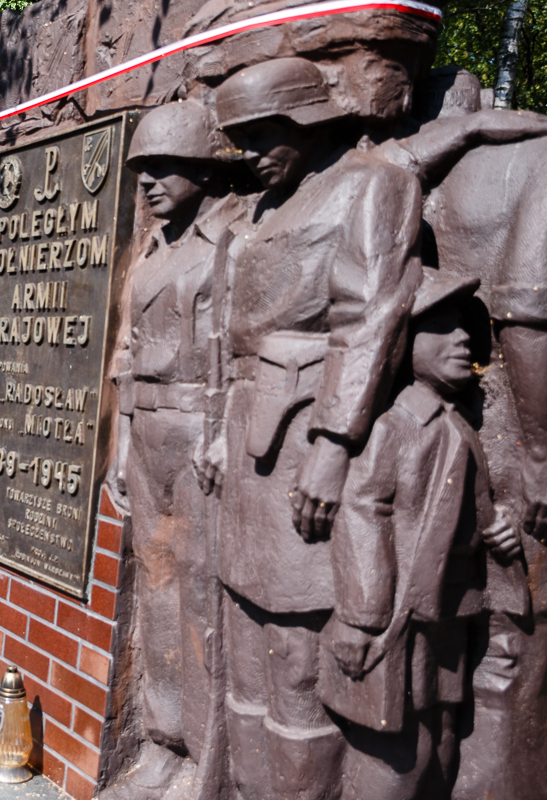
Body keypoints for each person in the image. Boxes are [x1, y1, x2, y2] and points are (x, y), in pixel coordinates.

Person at [212, 57, 422, 799]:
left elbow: (372, 320)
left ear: (305, 120)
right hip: (248, 438)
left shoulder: (372, 184)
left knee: (299, 644)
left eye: (261, 134)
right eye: (239, 139)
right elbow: (231, 337)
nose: (249, 153)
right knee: (246, 633)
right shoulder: (262, 209)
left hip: (308, 435)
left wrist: (333, 446)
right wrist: (218, 429)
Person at [321, 269, 528, 799]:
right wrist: (363, 616)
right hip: (403, 619)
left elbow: (475, 508)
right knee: (401, 753)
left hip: (452, 613)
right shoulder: (394, 428)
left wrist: (497, 531)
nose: (462, 339)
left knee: (443, 739)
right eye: (443, 327)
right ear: (405, 344)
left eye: (464, 327)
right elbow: (361, 512)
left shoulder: (460, 426)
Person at [102, 99, 246, 798]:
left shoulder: (232, 244)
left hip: (200, 434)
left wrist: (223, 436)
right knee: (157, 591)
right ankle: (162, 740)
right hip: (151, 437)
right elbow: (127, 356)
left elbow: (244, 356)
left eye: (165, 167)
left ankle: (202, 756)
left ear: (204, 169)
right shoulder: (150, 254)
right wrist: (122, 445)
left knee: (201, 595)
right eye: (142, 170)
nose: (149, 182)